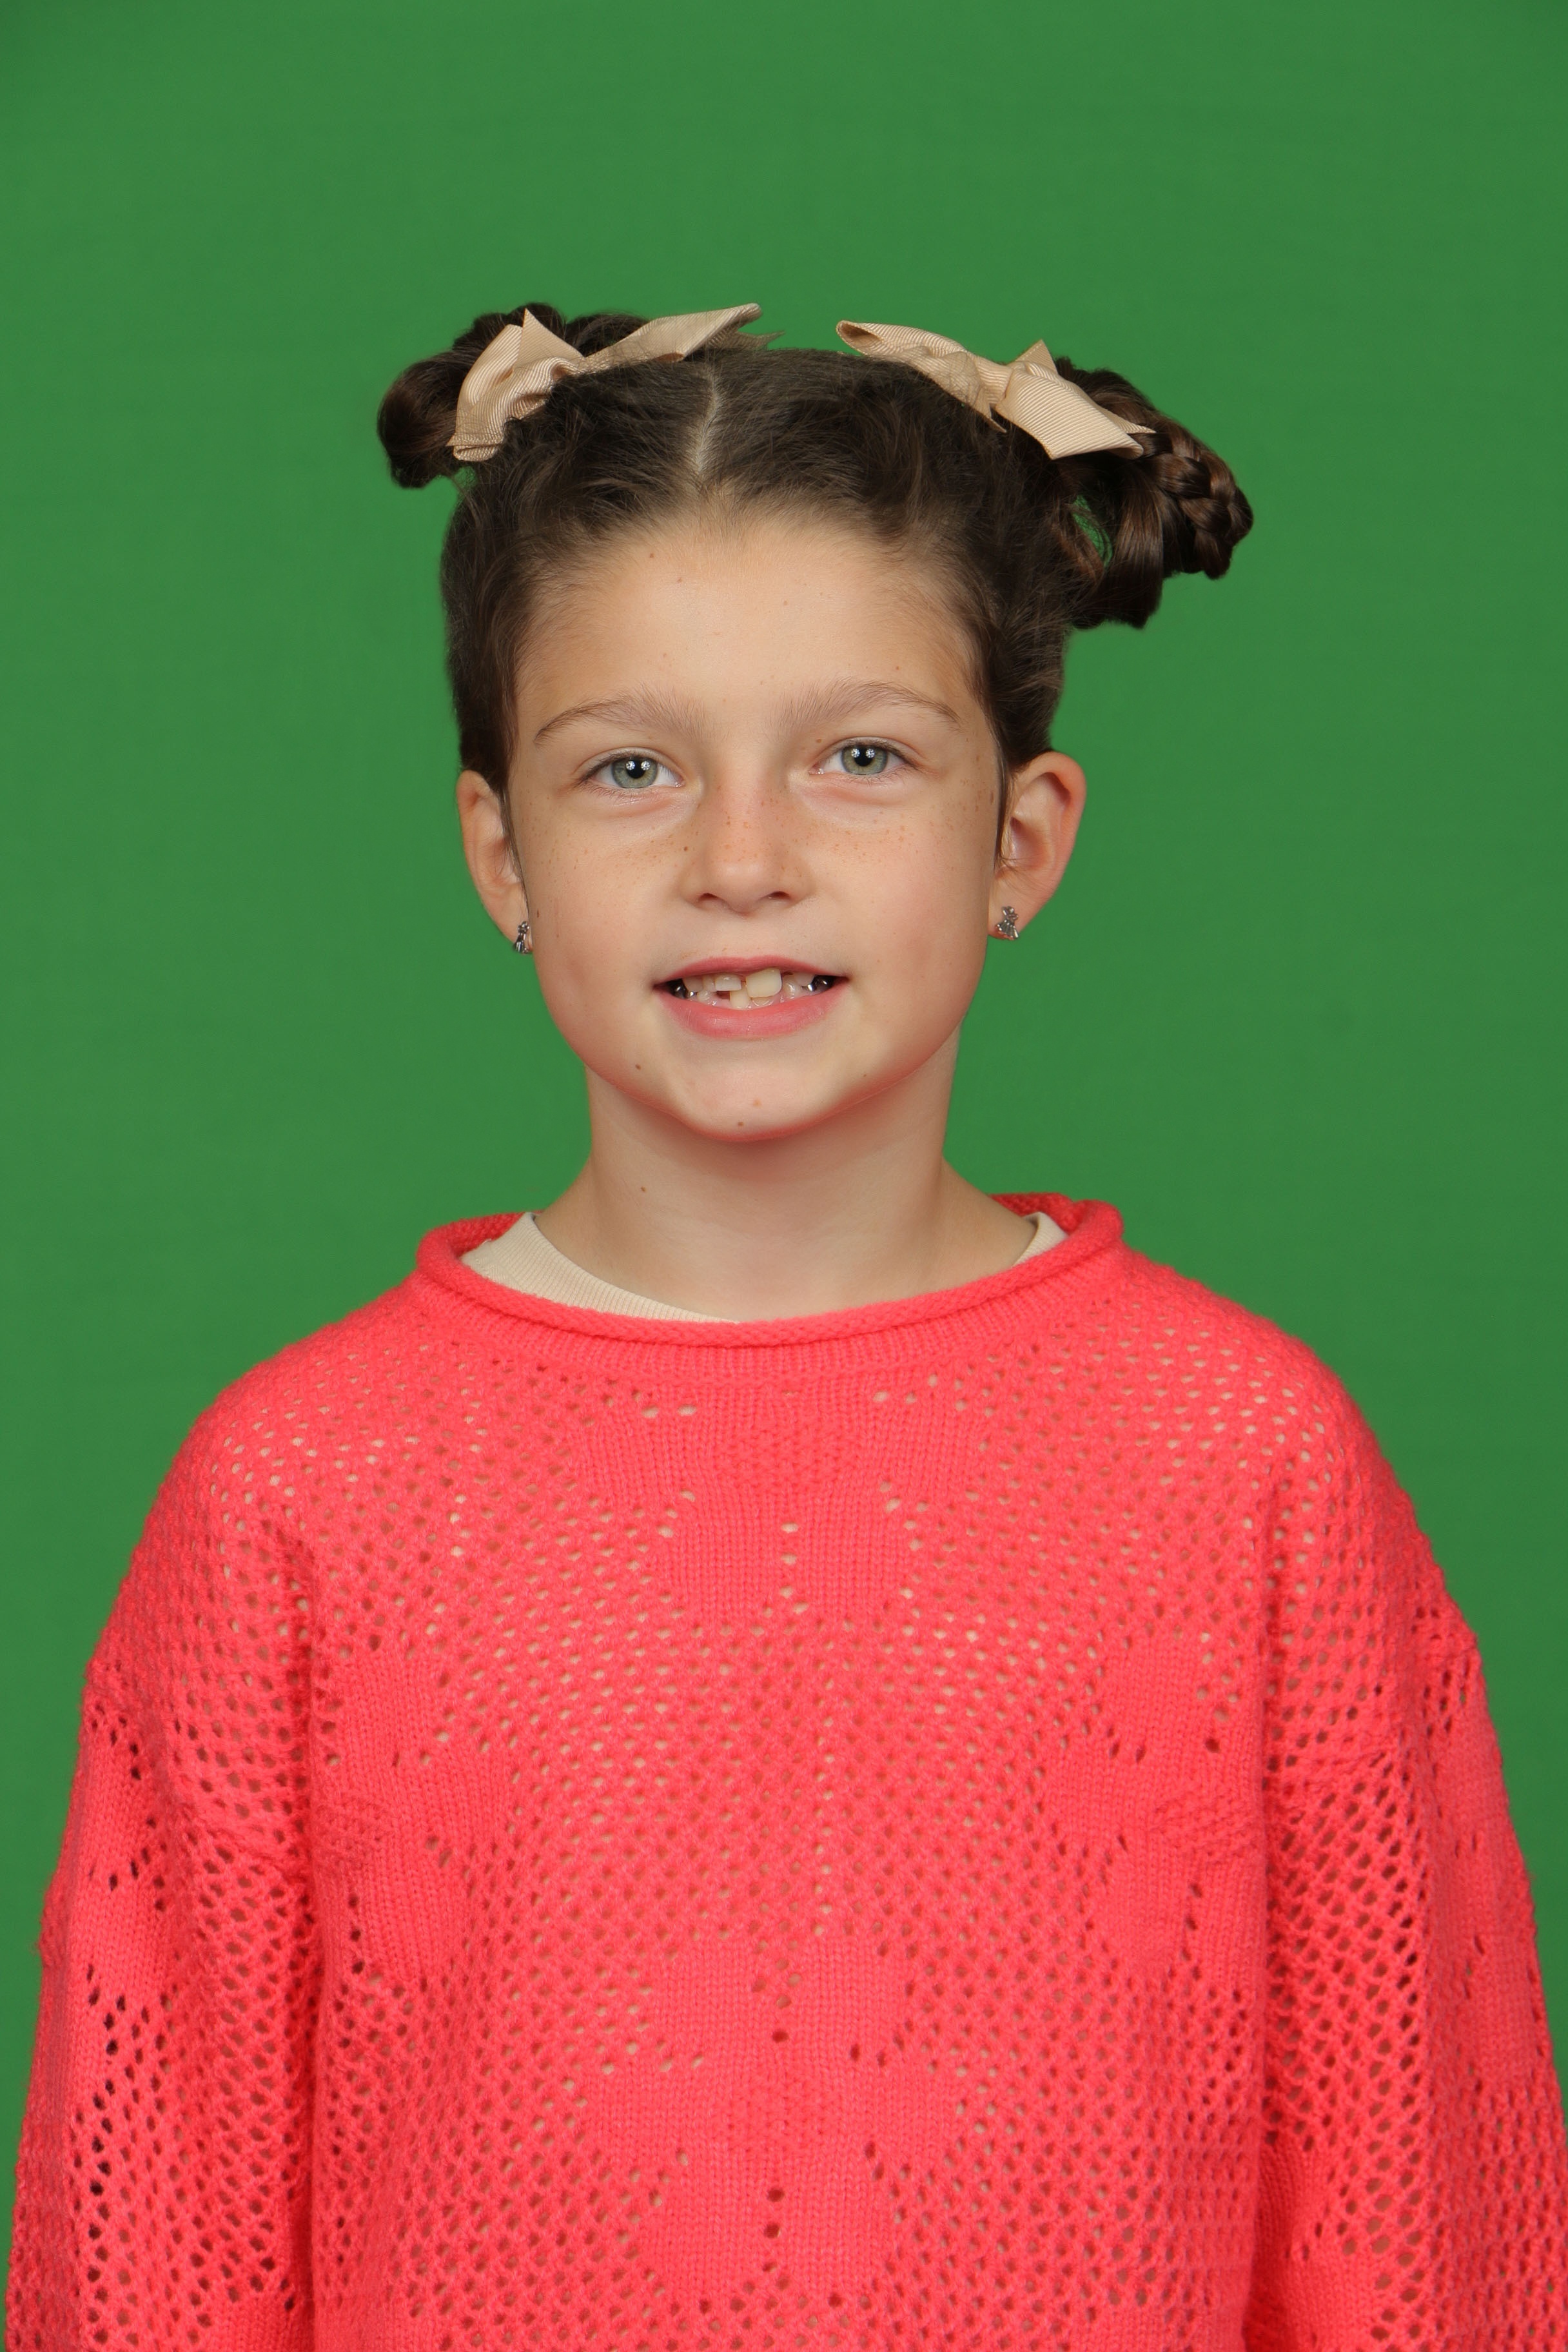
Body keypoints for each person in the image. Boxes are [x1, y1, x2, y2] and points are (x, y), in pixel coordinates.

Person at [8, 299, 1565, 2351]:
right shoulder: (296, 1490)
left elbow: (1423, 2226)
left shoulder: (1247, 1461)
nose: (742, 860)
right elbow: (148, 2258)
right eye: (631, 768)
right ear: (500, 853)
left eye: (861, 758)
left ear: (1022, 840)